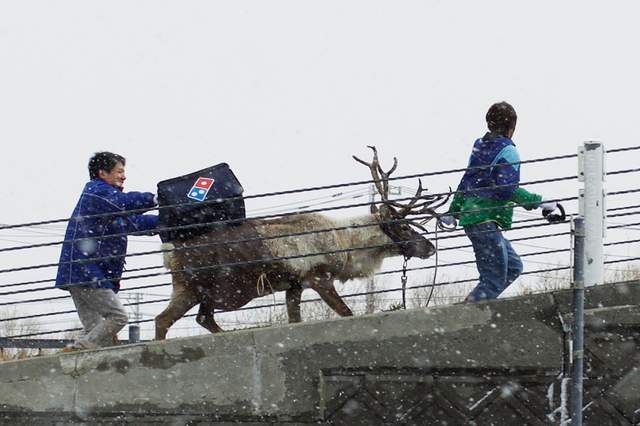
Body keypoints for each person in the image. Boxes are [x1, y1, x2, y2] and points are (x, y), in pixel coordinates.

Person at [443, 102, 559, 302]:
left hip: (475, 219)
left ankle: (477, 307)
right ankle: (468, 316)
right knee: (494, 279)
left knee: (514, 267)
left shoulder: (480, 146)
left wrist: (453, 212)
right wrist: (539, 202)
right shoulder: (508, 151)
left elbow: (467, 180)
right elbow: (507, 189)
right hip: (485, 220)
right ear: (512, 128)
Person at [55, 152, 159, 351]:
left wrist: (170, 220)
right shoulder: (97, 191)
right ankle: (77, 351)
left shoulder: (108, 204)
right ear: (102, 173)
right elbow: (125, 202)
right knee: (118, 317)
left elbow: (135, 222)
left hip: (79, 272)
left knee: (94, 329)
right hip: (86, 271)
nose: (124, 176)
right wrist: (157, 198)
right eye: (119, 171)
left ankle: (72, 366)